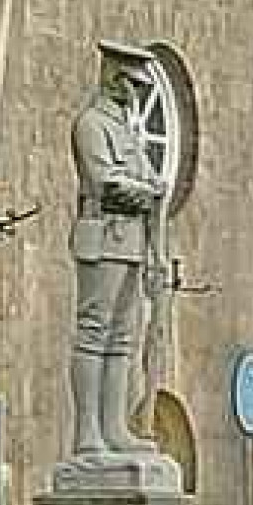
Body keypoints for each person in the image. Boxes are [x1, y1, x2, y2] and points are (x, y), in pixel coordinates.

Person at [69, 44, 165, 461]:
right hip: (102, 234)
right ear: (114, 78)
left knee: (123, 339)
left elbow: (145, 179)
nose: (136, 93)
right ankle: (88, 431)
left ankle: (114, 427)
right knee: (94, 332)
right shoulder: (92, 124)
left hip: (132, 241)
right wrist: (149, 193)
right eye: (131, 83)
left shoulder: (127, 131)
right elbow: (104, 180)